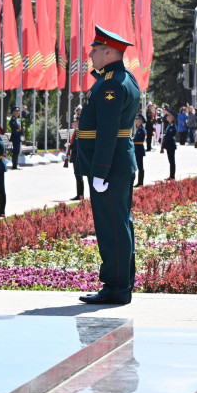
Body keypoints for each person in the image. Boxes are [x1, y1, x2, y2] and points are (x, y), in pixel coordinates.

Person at [75, 26, 142, 306]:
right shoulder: (124, 78)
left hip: (110, 166)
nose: (90, 55)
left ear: (108, 52)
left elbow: (107, 131)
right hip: (118, 163)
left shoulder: (111, 84)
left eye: (95, 50)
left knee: (111, 227)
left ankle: (116, 287)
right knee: (120, 224)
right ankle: (121, 283)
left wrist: (99, 171)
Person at [162, 110, 177, 181]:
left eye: (169, 116)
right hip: (168, 144)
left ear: (172, 117)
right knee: (170, 161)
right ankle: (171, 176)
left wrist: (165, 138)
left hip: (171, 144)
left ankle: (172, 176)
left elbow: (170, 135)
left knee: (172, 161)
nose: (167, 117)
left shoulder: (172, 125)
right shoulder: (169, 125)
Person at [133, 114, 147, 188]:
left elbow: (136, 139)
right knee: (139, 166)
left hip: (139, 149)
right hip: (137, 149)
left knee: (140, 166)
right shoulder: (139, 129)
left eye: (137, 119)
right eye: (136, 119)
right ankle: (139, 182)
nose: (136, 120)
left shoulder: (141, 130)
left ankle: (140, 182)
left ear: (141, 121)